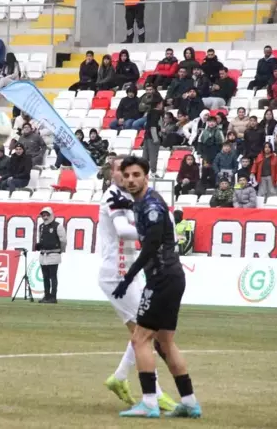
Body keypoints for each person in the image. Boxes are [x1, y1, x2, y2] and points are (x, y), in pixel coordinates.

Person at [113, 156, 201, 419]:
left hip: (161, 278)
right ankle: (190, 402)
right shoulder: (144, 202)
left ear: (146, 177)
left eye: (136, 174)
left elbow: (150, 246)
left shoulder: (150, 206)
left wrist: (128, 278)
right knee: (166, 342)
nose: (130, 179)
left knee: (140, 338)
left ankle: (149, 403)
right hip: (172, 277)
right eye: (126, 175)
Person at [96, 155, 177, 411]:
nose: (125, 176)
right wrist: (157, 229)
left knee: (144, 333)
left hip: (127, 272)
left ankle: (119, 377)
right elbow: (122, 230)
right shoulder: (112, 196)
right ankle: (155, 394)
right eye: (121, 171)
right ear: (112, 172)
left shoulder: (131, 198)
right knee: (145, 333)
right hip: (117, 274)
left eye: (129, 172)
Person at [35, 207, 66, 304]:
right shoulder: (41, 226)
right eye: (43, 215)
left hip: (53, 254)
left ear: (51, 215)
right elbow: (40, 238)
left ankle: (53, 296)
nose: (45, 217)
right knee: (45, 277)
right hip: (43, 254)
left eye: (46, 215)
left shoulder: (58, 226)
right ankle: (47, 295)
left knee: (53, 276)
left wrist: (61, 250)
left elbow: (63, 240)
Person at [142, 100, 163, 178]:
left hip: (147, 136)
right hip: (153, 137)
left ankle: (143, 172)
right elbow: (153, 126)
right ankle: (153, 172)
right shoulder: (156, 113)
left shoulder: (149, 112)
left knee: (145, 155)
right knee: (153, 155)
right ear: (158, 104)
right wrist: (156, 138)